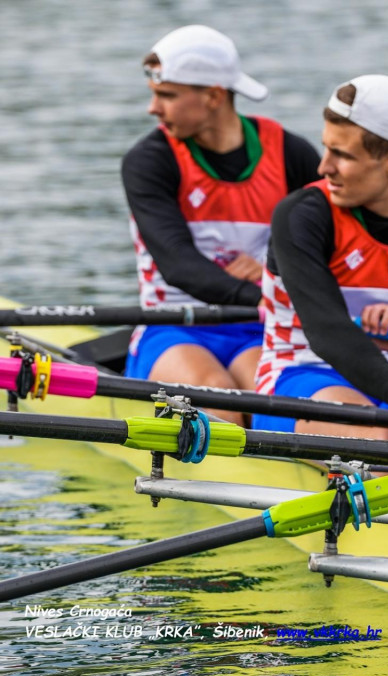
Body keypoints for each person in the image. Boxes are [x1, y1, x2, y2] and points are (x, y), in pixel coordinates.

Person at [122, 25, 320, 424]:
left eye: (166, 95)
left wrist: (265, 276)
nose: (153, 108)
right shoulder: (150, 161)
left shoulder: (291, 154)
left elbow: (324, 250)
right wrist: (263, 289)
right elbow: (178, 265)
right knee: (222, 405)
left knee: (274, 410)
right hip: (176, 327)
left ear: (213, 95)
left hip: (259, 330)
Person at [253, 75, 388, 439]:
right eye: (327, 149)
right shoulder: (303, 215)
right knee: (381, 436)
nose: (323, 167)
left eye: (341, 155)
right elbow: (328, 332)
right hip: (303, 375)